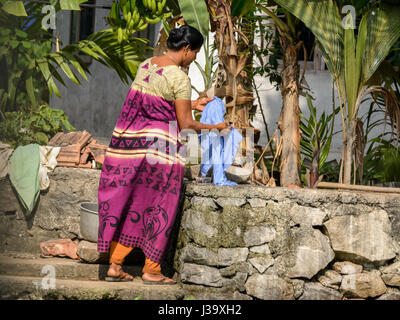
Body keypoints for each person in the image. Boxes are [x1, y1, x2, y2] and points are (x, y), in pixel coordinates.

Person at [97, 25, 230, 284]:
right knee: (158, 208)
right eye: (195, 53)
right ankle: (152, 270)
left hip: (130, 147)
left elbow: (155, 103)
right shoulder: (180, 78)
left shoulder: (147, 65)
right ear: (187, 49)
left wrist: (191, 103)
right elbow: (186, 123)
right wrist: (216, 126)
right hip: (161, 153)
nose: (193, 58)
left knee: (131, 204)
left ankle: (114, 265)